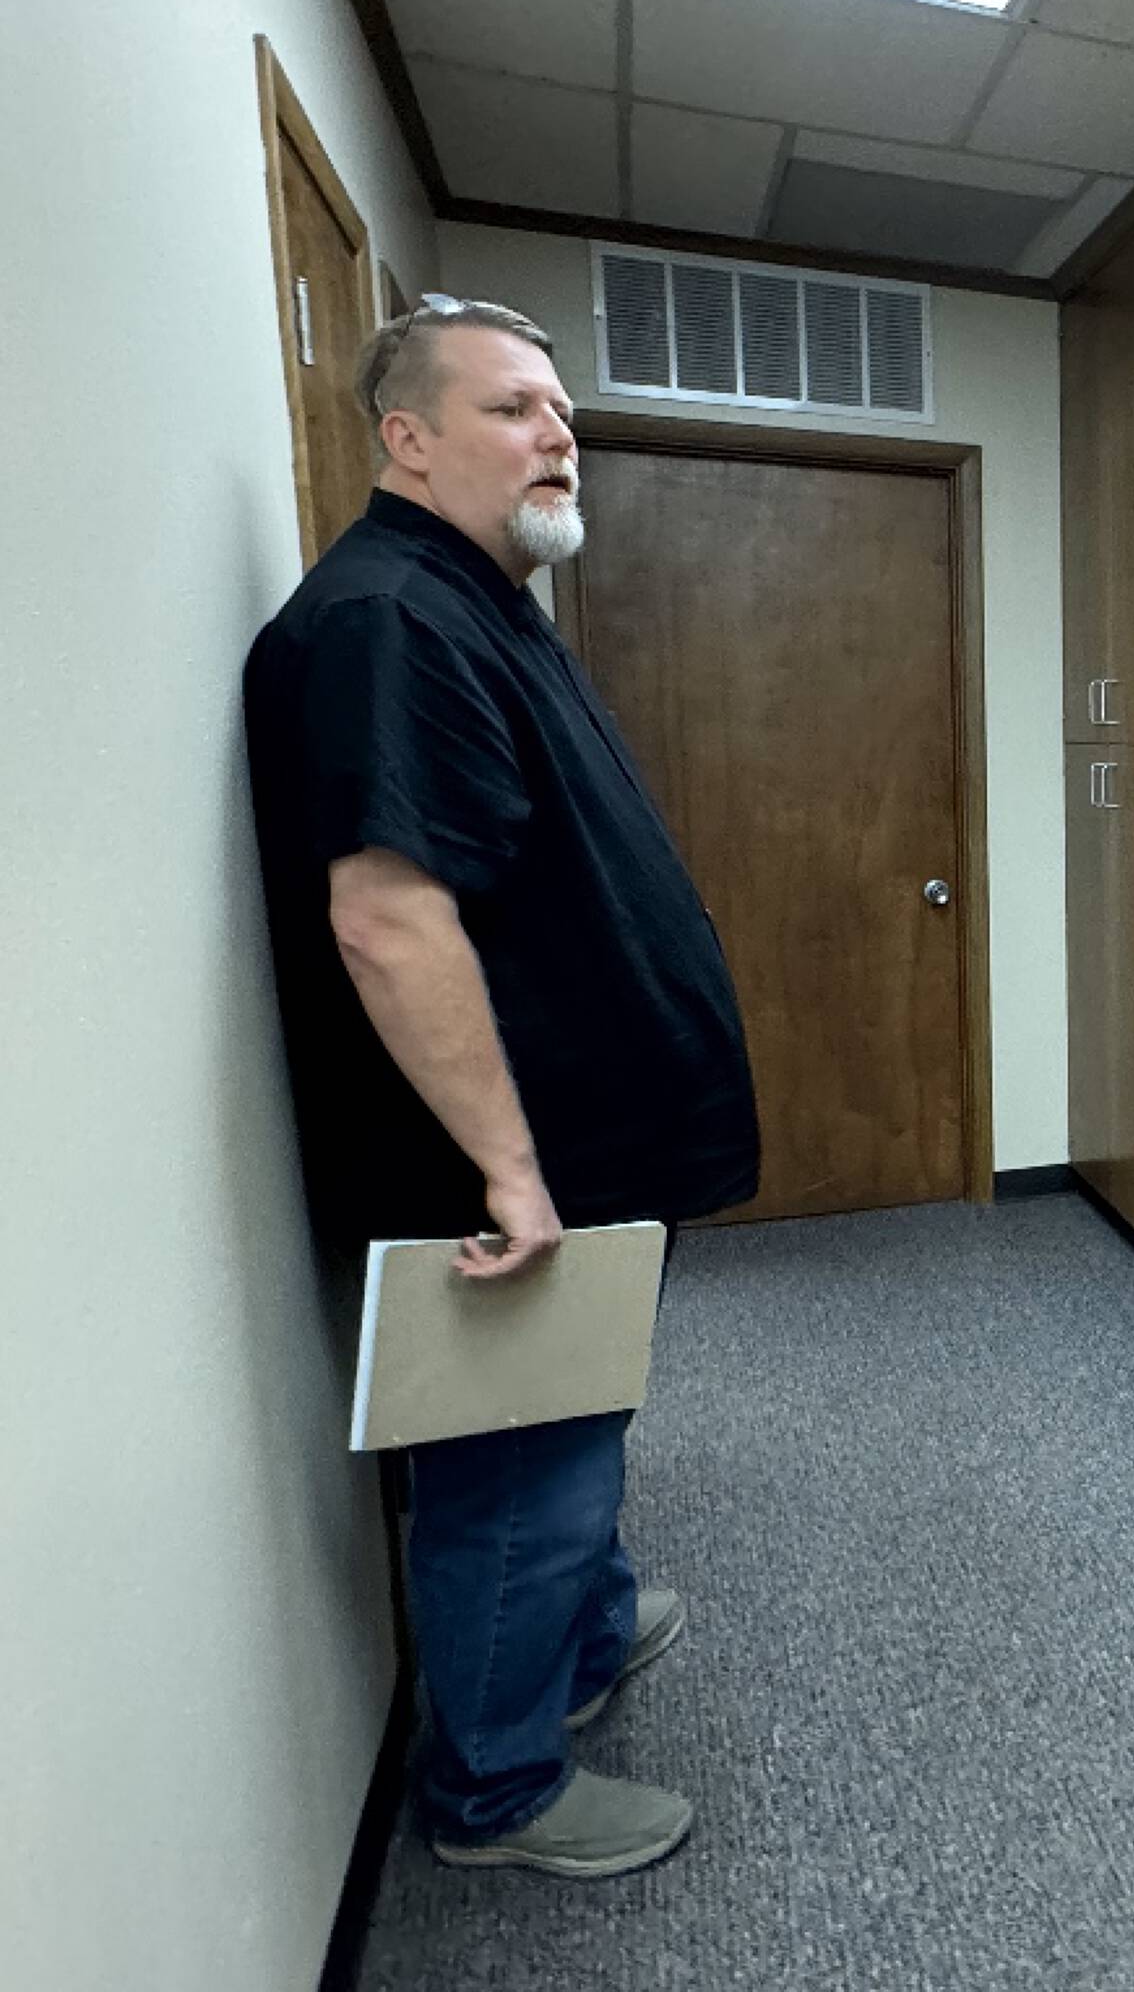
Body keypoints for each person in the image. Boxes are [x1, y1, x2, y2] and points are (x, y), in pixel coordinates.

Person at [242, 295, 760, 1878]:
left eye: (563, 413)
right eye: (514, 408)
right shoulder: (390, 621)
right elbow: (388, 919)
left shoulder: (475, 599)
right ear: (405, 437)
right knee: (517, 1471)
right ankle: (495, 1794)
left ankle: (585, 1638)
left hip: (569, 1148)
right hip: (498, 1175)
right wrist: (513, 1174)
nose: (557, 435)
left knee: (571, 1433)